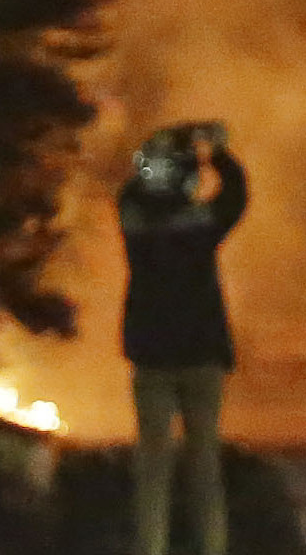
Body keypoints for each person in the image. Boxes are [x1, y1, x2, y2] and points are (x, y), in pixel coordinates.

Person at [115, 117, 248, 555]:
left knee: (152, 471)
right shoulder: (201, 223)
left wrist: (160, 141)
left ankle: (150, 549)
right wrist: (217, 153)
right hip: (202, 357)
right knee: (204, 471)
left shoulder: (134, 223)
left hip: (152, 358)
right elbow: (236, 197)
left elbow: (133, 189)